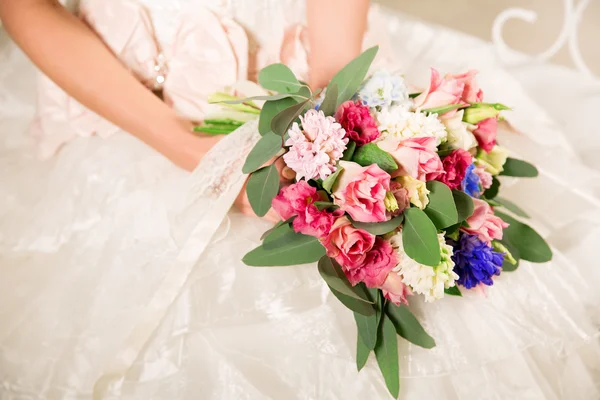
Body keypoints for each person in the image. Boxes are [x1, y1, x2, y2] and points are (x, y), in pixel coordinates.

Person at [0, 0, 599, 398]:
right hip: (125, 105)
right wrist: (193, 152)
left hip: (307, 64)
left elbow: (337, 69)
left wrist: (339, 108)